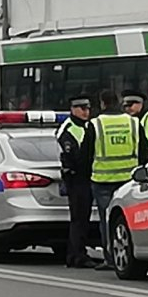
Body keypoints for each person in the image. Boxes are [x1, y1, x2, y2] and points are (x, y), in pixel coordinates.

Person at [90, 89, 148, 270]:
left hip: (102, 180)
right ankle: (133, 255)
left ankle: (111, 258)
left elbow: (86, 154)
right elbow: (145, 151)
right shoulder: (133, 123)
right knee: (132, 219)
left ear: (102, 103)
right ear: (118, 102)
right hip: (129, 180)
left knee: (107, 220)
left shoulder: (96, 124)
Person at [56, 95, 97, 268]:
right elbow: (71, 155)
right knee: (79, 218)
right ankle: (77, 255)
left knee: (82, 218)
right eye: (82, 109)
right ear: (73, 109)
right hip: (77, 178)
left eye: (87, 109)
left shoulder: (87, 126)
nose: (86, 112)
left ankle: (74, 254)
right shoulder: (68, 129)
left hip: (87, 177)